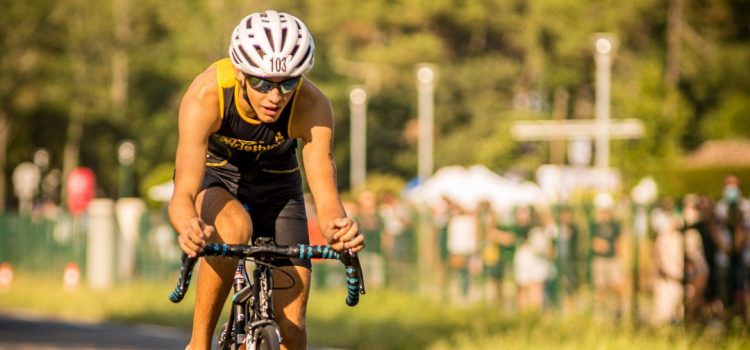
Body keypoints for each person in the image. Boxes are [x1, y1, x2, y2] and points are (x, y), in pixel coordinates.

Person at [167, 10, 365, 350]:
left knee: (291, 326)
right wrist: (188, 226)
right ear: (241, 74)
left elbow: (327, 197)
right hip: (218, 175)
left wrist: (338, 228)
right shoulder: (207, 94)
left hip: (278, 184)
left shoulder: (313, 105)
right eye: (261, 83)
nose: (275, 96)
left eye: (288, 83)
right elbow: (183, 191)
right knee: (233, 228)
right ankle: (199, 343)